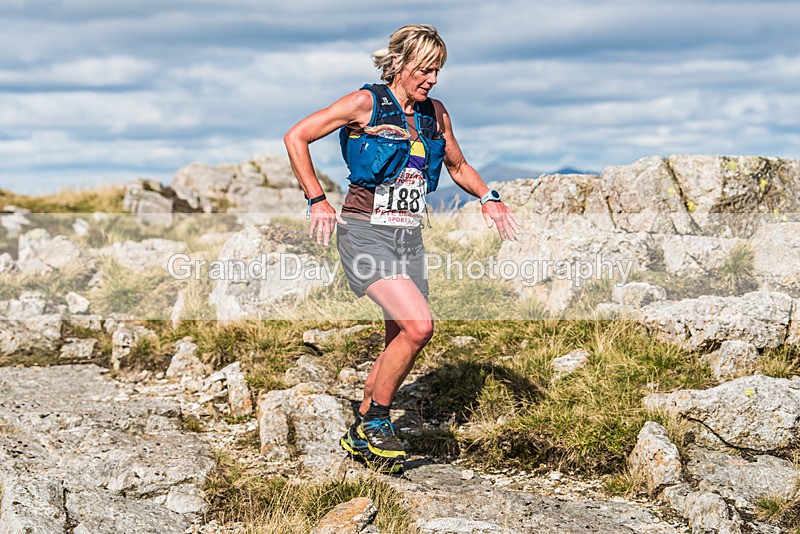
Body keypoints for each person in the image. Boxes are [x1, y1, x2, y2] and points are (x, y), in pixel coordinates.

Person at [284, 24, 519, 473]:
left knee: (401, 335)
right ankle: (376, 421)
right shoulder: (364, 103)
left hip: (407, 235)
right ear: (399, 64)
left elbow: (458, 164)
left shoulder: (435, 113)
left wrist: (489, 198)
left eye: (437, 72)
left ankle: (361, 427)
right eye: (425, 70)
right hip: (364, 231)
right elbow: (296, 136)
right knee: (419, 326)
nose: (431, 80)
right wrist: (317, 199)